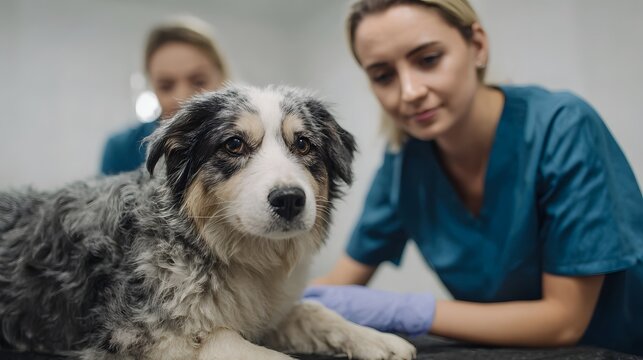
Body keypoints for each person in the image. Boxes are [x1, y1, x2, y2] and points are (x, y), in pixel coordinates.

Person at [304, 0, 643, 355]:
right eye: (383, 76)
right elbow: (340, 285)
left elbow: (565, 321)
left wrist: (407, 311)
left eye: (428, 59)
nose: (410, 92)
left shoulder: (562, 127)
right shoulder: (403, 166)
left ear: (477, 46)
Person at [100, 16, 229, 175]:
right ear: (152, 87)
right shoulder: (121, 149)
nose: (183, 97)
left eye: (198, 82)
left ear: (223, 78)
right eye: (166, 86)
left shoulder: (246, 141)